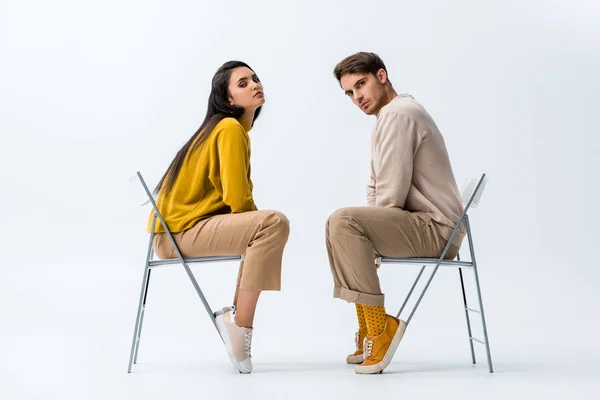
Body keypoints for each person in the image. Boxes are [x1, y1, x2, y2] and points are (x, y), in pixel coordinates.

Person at [326, 52, 465, 374]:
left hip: (436, 230)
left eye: (361, 84)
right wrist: (372, 230)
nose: (357, 96)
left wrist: (372, 234)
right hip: (426, 225)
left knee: (343, 221)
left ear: (382, 76)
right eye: (349, 92)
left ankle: (379, 328)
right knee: (340, 225)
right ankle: (368, 326)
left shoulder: (399, 114)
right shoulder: (389, 116)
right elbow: (377, 187)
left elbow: (390, 189)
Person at [148, 61, 290, 374]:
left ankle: (236, 322)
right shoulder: (229, 128)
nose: (254, 84)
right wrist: (258, 223)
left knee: (264, 229)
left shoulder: (230, 129)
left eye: (254, 78)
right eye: (243, 83)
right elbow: (237, 199)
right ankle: (241, 326)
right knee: (273, 223)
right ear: (227, 100)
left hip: (178, 232)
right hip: (178, 235)